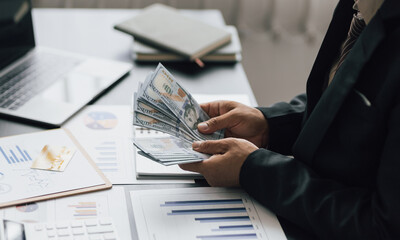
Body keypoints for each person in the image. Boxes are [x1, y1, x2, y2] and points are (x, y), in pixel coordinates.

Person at [180, 0, 400, 239]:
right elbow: (338, 102)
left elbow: (384, 226)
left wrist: (254, 169)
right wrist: (269, 125)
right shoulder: (357, 7)